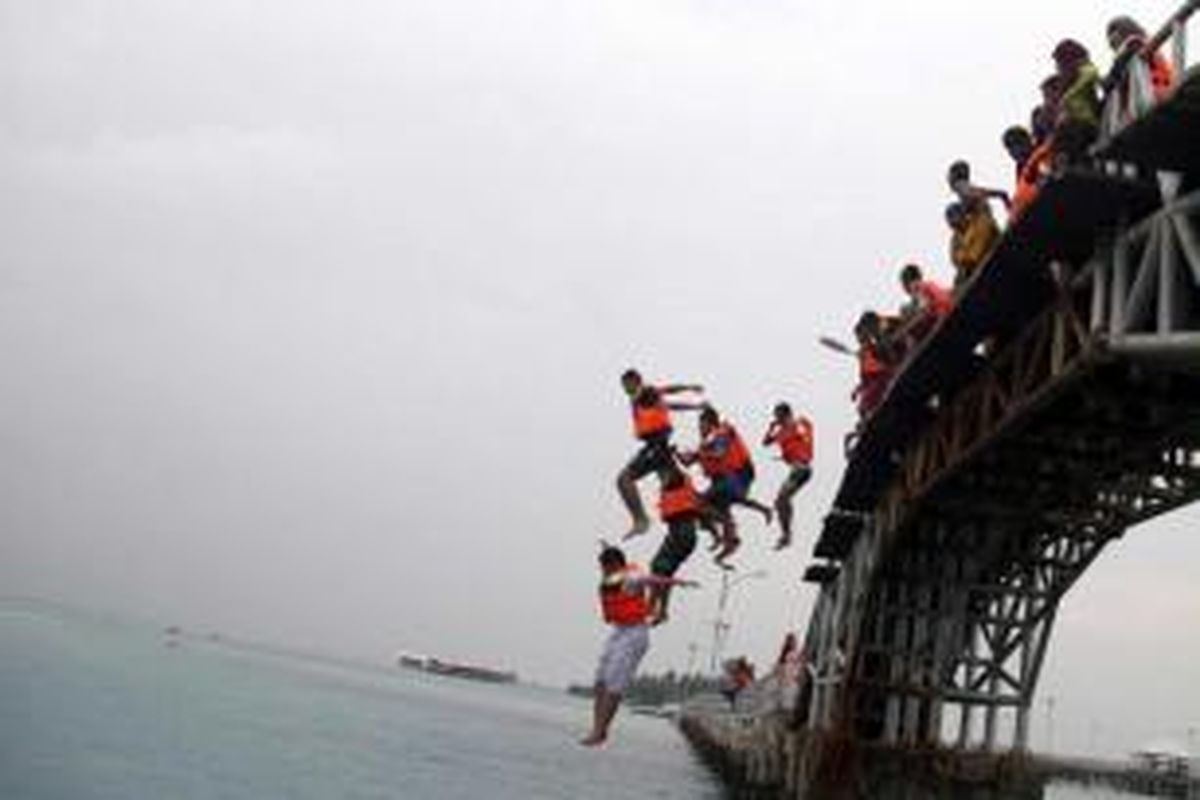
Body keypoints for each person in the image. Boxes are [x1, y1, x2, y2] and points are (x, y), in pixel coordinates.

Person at [581, 545, 697, 747]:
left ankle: (600, 731)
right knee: (600, 681)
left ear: (615, 565)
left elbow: (653, 579)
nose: (602, 572)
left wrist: (678, 582)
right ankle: (597, 728)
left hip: (635, 633)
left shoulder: (631, 577)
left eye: (604, 567)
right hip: (618, 631)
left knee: (614, 683)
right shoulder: (612, 578)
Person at [616, 369, 705, 540]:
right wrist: (695, 406)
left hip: (656, 445)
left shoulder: (646, 392)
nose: (625, 388)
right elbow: (670, 406)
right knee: (673, 488)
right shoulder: (639, 400)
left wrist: (690, 387)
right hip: (658, 447)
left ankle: (641, 520)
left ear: (636, 381)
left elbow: (669, 390)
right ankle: (706, 517)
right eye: (623, 386)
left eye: (627, 384)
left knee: (623, 479)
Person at [679, 406, 772, 566]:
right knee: (704, 509)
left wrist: (697, 455)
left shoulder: (721, 433)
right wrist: (678, 455)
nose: (699, 429)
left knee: (712, 499)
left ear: (710, 423)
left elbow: (720, 453)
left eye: (701, 424)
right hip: (723, 479)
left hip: (737, 474)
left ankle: (726, 530)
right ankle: (728, 540)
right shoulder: (706, 444)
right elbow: (688, 463)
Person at [647, 461, 703, 624]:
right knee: (664, 571)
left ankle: (652, 606)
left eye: (661, 475)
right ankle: (662, 611)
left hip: (682, 533)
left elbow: (671, 469)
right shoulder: (678, 487)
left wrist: (663, 455)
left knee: (658, 567)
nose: (660, 479)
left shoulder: (677, 479)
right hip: (679, 534)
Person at [762, 402, 814, 550]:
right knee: (780, 501)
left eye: (778, 415)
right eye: (775, 416)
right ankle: (786, 534)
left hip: (802, 468)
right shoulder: (781, 432)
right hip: (795, 470)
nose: (776, 419)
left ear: (785, 414)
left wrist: (802, 454)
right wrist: (771, 428)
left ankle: (787, 535)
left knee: (782, 498)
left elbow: (805, 434)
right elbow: (765, 442)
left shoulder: (798, 424)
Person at [1105, 16, 1175, 108]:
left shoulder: (1134, 44)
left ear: (1125, 29)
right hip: (1156, 87)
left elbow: (1116, 72)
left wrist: (1107, 82)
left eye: (1113, 31)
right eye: (1109, 35)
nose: (1111, 38)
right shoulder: (1144, 43)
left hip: (1153, 90)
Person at [1051, 39, 1101, 167]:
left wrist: (1065, 99)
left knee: (1070, 132)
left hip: (1085, 124)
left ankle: (1065, 163)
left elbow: (1092, 75)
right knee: (1061, 135)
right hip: (1072, 125)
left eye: (1059, 61)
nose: (1058, 67)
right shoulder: (1066, 81)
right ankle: (1061, 164)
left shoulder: (1085, 71)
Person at [1003, 125, 1053, 221]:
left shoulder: (1041, 155)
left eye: (1016, 144)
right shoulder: (1020, 168)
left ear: (1027, 140)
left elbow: (1046, 180)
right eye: (1009, 149)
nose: (1013, 152)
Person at [946, 200, 1000, 286]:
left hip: (993, 262)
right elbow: (954, 259)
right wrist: (964, 258)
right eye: (949, 220)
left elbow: (975, 254)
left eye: (954, 217)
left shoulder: (980, 222)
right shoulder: (955, 238)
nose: (952, 223)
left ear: (963, 214)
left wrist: (963, 257)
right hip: (974, 273)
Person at [899, 263, 953, 344]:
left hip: (936, 318)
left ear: (906, 283)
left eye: (904, 283)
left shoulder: (919, 288)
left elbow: (924, 307)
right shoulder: (930, 285)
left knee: (904, 310)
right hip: (942, 313)